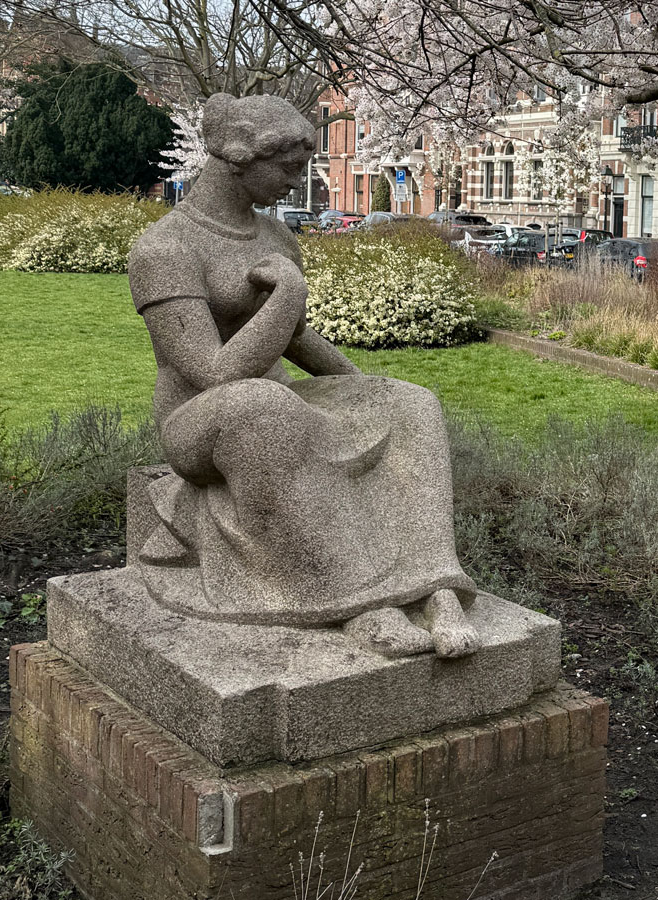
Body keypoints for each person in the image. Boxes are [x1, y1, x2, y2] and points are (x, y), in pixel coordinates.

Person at [128, 93, 479, 659]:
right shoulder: (165, 249)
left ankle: (434, 586)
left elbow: (294, 338)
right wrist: (288, 293)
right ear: (239, 157)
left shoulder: (277, 237)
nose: (298, 180)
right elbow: (215, 373)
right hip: (200, 421)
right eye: (289, 166)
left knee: (410, 403)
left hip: (274, 400)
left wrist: (365, 390)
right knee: (262, 409)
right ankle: (358, 602)